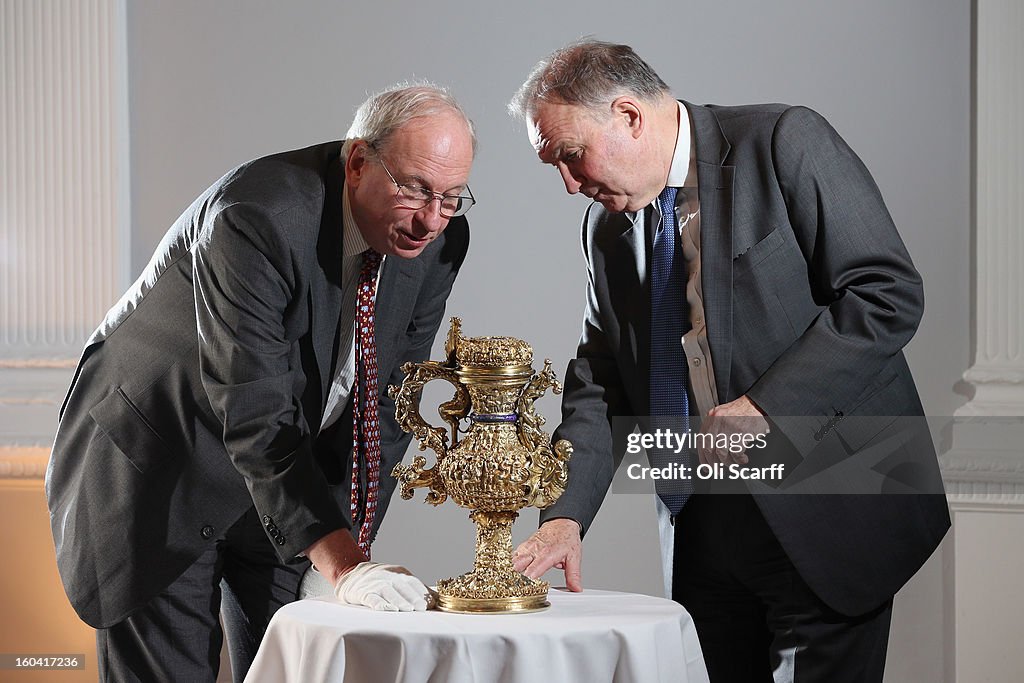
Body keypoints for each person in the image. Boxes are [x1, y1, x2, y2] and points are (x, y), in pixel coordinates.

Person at [508, 40, 950, 682]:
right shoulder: (603, 231)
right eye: (554, 165)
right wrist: (565, 515)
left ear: (629, 115)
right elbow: (597, 383)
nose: (571, 184)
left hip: (826, 505)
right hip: (700, 528)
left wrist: (764, 407)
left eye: (572, 156)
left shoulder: (783, 142)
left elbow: (886, 293)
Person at [45, 83, 476, 682]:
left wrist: (343, 540)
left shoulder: (439, 244)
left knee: (296, 670)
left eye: (452, 197)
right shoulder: (257, 216)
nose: (431, 219)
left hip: (282, 482)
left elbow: (390, 404)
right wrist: (345, 565)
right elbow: (253, 409)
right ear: (357, 161)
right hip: (162, 466)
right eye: (415, 189)